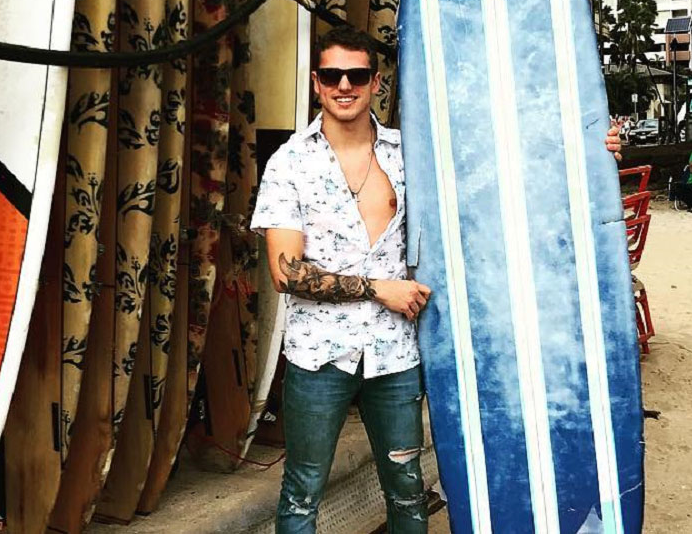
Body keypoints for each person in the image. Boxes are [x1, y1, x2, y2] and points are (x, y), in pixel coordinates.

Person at [250, 26, 623, 534]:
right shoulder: (290, 162)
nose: (344, 86)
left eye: (356, 75)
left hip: (395, 354)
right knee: (302, 493)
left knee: (407, 492)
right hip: (319, 355)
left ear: (376, 82)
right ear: (316, 82)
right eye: (333, 75)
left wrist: (589, 152)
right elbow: (285, 271)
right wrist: (378, 289)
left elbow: (499, 177)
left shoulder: (410, 154)